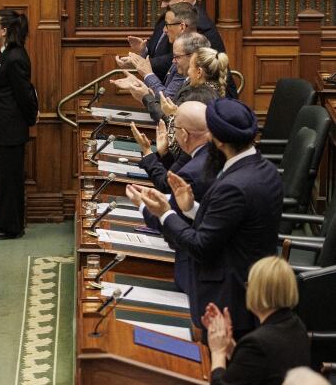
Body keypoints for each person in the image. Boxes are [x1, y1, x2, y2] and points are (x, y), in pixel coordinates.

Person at [133, 98, 283, 339]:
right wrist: (191, 208)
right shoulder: (265, 170)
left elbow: (201, 246)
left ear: (219, 140)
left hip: (230, 300)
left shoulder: (234, 185)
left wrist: (165, 214)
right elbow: (231, 223)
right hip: (253, 288)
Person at [128, 101, 214, 293]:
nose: (172, 132)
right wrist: (162, 154)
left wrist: (142, 205)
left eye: (173, 127)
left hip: (196, 265)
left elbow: (172, 218)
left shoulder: (194, 169)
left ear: (184, 134)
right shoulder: (209, 153)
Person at [204, 256, 310, 385]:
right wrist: (228, 345)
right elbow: (256, 369)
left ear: (256, 291)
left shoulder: (257, 343)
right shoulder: (296, 325)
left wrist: (218, 352)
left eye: (248, 285)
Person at [0, 9, 38, 240]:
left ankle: (12, 227)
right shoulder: (5, 52)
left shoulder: (16, 56)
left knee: (9, 180)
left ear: (4, 30)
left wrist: (30, 118)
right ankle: (2, 223)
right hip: (0, 127)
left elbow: (24, 94)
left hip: (10, 128)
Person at [120, 0, 228, 83]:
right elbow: (158, 48)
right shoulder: (166, 17)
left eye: (166, 0)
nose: (162, 5)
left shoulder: (198, 23)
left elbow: (177, 59)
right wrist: (144, 50)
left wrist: (141, 63)